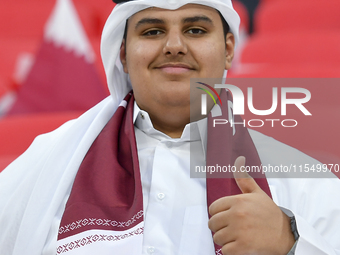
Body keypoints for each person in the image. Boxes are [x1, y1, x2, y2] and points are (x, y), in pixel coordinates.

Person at [0, 0, 340, 255]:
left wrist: (291, 242)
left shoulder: (303, 178)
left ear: (227, 50)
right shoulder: (48, 164)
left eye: (195, 30)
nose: (174, 45)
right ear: (122, 54)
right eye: (153, 31)